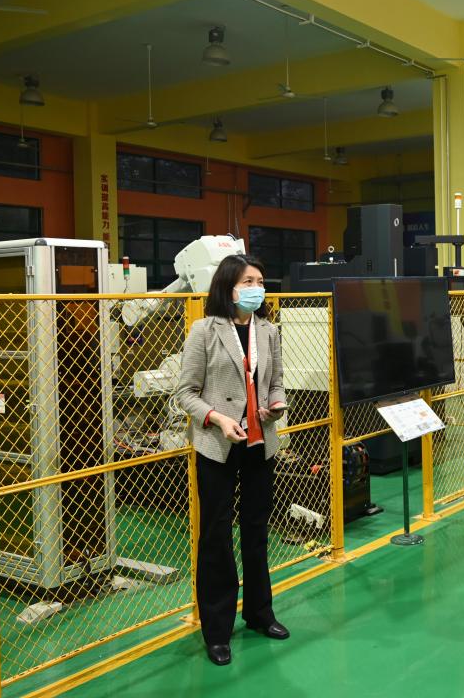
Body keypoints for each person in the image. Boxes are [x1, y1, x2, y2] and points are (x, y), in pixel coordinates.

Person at [175, 254, 289, 666]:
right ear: (229, 287)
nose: (257, 288)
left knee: (256, 530)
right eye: (248, 281)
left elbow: (276, 382)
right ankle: (217, 630)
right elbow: (185, 393)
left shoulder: (269, 331)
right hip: (218, 444)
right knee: (216, 535)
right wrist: (218, 418)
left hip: (260, 443)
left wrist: (276, 405)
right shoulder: (204, 331)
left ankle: (260, 613)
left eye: (260, 281)